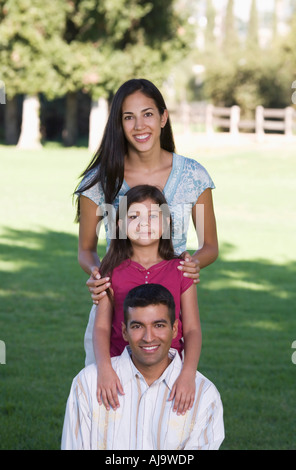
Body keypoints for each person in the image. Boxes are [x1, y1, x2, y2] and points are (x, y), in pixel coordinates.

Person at [75, 78, 218, 305]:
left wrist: (190, 265)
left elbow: (210, 246)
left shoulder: (194, 176)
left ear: (163, 117)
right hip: (116, 304)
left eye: (148, 114)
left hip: (170, 305)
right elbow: (85, 249)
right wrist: (97, 273)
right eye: (129, 117)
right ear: (119, 124)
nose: (139, 125)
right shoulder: (100, 180)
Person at [61, 284, 224, 450]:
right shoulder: (88, 384)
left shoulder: (204, 395)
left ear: (174, 329)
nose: (148, 337)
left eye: (158, 325)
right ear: (124, 331)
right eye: (137, 326)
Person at [85, 184, 202, 416]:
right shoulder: (111, 271)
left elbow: (192, 329)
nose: (144, 223)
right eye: (134, 215)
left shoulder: (181, 270)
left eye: (153, 215)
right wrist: (105, 369)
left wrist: (188, 374)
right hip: (121, 370)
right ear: (119, 224)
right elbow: (100, 328)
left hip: (170, 371)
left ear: (167, 223)